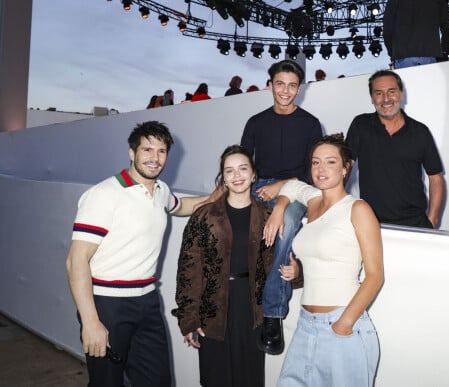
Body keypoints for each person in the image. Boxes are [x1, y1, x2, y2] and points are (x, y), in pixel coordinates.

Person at [65, 121, 209, 387]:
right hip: (107, 305)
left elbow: (184, 206)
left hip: (147, 302)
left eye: (162, 151)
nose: (155, 158)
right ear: (132, 153)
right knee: (107, 383)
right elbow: (76, 260)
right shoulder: (104, 194)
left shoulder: (161, 191)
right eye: (147, 150)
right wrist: (90, 321)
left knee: (157, 381)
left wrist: (221, 193)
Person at [172, 145, 301, 387]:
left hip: (252, 310)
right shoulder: (204, 216)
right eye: (229, 171)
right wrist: (188, 320)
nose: (237, 176)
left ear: (254, 174)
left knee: (249, 379)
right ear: (223, 178)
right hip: (212, 311)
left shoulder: (267, 217)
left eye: (243, 169)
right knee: (215, 379)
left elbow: (281, 263)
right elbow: (188, 271)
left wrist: (297, 273)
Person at [264, 133, 384, 387]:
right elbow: (292, 186)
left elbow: (375, 276)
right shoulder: (314, 201)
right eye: (316, 162)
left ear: (345, 167)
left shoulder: (358, 209)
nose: (321, 168)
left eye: (330, 162)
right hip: (306, 324)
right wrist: (279, 208)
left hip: (342, 326)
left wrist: (344, 324)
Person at [241, 59, 323, 355]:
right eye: (280, 84)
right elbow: (244, 162)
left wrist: (281, 189)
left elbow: (312, 171)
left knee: (285, 226)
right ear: (270, 85)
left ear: (299, 88)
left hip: (297, 187)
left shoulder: (311, 124)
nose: (285, 91)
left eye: (292, 85)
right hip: (260, 185)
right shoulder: (255, 122)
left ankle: (273, 314)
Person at [346, 70, 445, 228]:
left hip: (415, 223)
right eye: (379, 93)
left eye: (391, 92)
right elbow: (345, 167)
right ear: (372, 98)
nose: (386, 99)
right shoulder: (360, 125)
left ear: (401, 94)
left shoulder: (420, 131)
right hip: (371, 223)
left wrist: (432, 220)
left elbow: (436, 178)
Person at [383, 0, 449, 69]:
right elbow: (447, 26)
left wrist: (392, 54)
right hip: (429, 53)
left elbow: (387, 30)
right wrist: (444, 50)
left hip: (403, 55)